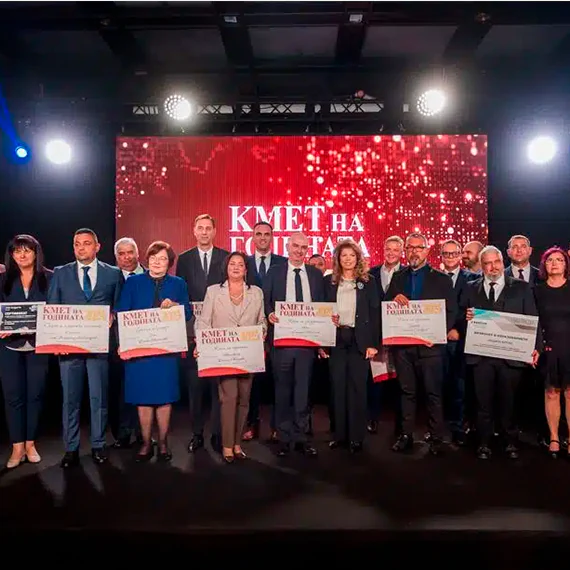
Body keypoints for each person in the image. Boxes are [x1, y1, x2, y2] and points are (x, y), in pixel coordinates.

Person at [47, 228, 123, 468]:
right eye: (77, 244)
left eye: (87, 243)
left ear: (97, 247)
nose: (81, 248)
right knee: (70, 400)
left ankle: (98, 445)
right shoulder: (60, 273)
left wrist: (113, 316)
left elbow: (120, 307)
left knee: (99, 398)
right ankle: (71, 448)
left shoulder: (113, 273)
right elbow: (52, 308)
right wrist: (56, 340)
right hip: (69, 349)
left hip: (99, 349)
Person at [462, 245, 539, 460]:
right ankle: (484, 442)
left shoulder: (522, 287)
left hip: (511, 355)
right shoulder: (470, 288)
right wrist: (465, 317)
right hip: (481, 356)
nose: (493, 267)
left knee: (509, 402)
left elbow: (532, 318)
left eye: (496, 262)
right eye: (487, 263)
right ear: (482, 265)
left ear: (502, 261)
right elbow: (459, 317)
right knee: (482, 403)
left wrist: (536, 348)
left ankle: (510, 441)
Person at [116, 241, 191, 462]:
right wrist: (123, 343)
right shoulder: (133, 282)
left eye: (163, 259)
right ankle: (147, 443)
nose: (157, 262)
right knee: (143, 398)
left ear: (170, 263)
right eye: (153, 258)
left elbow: (187, 313)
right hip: (139, 353)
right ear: (147, 260)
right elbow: (122, 312)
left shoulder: (178, 284)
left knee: (165, 398)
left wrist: (175, 306)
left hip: (166, 352)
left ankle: (164, 442)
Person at [385, 232, 457, 456]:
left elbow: (451, 311)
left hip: (430, 347)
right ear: (405, 251)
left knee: (433, 393)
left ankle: (436, 438)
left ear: (427, 251)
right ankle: (406, 435)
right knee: (407, 392)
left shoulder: (441, 279)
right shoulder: (398, 277)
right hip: (404, 347)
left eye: (419, 248)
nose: (414, 252)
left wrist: (437, 334)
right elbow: (386, 306)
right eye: (410, 248)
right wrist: (393, 300)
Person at [196, 252, 266, 463]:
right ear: (226, 268)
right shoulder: (213, 291)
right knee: (229, 397)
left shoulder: (256, 292)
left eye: (240, 264)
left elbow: (262, 320)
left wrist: (262, 331)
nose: (236, 267)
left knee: (244, 400)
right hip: (223, 355)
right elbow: (204, 322)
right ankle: (227, 445)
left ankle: (237, 443)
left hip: (248, 354)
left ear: (246, 269)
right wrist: (202, 345)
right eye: (232, 264)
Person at [263, 232, 325, 457]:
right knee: (282, 391)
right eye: (296, 246)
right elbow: (265, 301)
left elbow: (323, 305)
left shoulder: (315, 274)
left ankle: (301, 438)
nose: (299, 251)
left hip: (307, 344)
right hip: (281, 343)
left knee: (303, 392)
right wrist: (269, 313)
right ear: (287, 247)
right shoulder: (274, 272)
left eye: (304, 247)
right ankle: (283, 437)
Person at [176, 214, 229, 454]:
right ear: (194, 231)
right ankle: (197, 434)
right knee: (195, 388)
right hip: (192, 333)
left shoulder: (225, 257)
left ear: (214, 231)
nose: (205, 232)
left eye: (209, 228)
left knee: (218, 389)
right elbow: (182, 293)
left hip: (219, 332)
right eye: (201, 228)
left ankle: (217, 434)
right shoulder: (184, 259)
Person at [0, 235, 52, 468]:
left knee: (35, 395)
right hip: (8, 347)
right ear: (11, 255)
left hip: (39, 346)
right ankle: (17, 447)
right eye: (17, 251)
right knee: (13, 396)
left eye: (27, 250)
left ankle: (30, 444)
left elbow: (57, 309)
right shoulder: (3, 279)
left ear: (36, 253)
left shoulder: (50, 278)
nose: (22, 255)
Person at [323, 239, 379, 453]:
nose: (347, 259)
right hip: (336, 339)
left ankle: (356, 437)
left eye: (351, 255)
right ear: (338, 259)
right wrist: (328, 320)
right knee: (337, 388)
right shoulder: (329, 281)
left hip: (359, 340)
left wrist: (373, 344)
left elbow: (375, 313)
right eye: (343, 255)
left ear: (358, 258)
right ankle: (339, 435)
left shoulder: (368, 281)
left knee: (357, 389)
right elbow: (321, 310)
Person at [243, 222, 286, 442]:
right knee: (252, 382)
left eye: (267, 234)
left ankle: (278, 425)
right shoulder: (244, 263)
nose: (262, 238)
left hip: (280, 329)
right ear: (252, 237)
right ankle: (252, 423)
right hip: (251, 331)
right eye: (258, 234)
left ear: (272, 237)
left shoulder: (284, 263)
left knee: (280, 381)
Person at [534, 247, 570, 458]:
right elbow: (533, 322)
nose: (554, 263)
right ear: (544, 265)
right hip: (548, 348)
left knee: (569, 393)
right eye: (550, 260)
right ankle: (554, 437)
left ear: (566, 264)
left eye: (559, 260)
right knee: (551, 392)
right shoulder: (537, 291)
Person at [110, 236, 145, 448]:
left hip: (145, 343)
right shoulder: (110, 278)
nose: (126, 257)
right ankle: (122, 434)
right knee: (120, 391)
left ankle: (143, 432)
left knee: (143, 388)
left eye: (130, 252)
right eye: (121, 254)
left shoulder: (151, 276)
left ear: (137, 253)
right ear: (116, 257)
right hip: (117, 345)